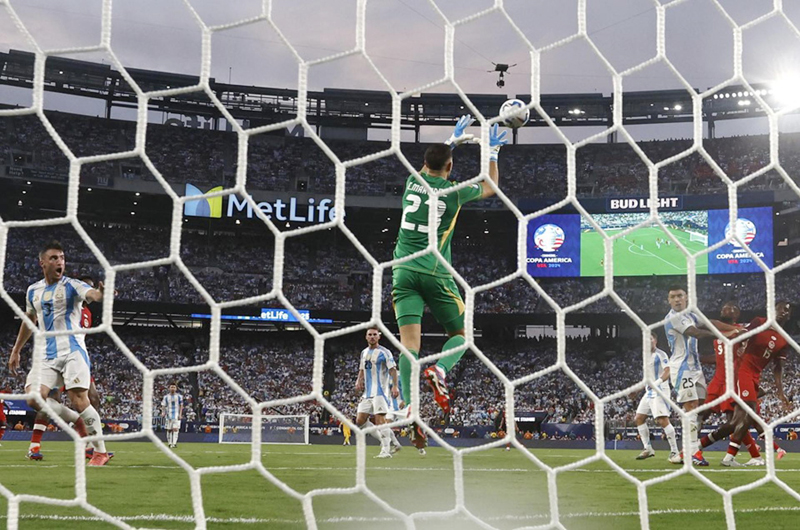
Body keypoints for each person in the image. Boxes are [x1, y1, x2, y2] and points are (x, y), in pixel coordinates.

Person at [392, 115, 507, 438]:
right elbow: (490, 186)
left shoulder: (411, 182)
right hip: (435, 271)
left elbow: (434, 161)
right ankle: (440, 368)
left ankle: (409, 406)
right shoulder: (453, 191)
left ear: (425, 162)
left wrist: (451, 141)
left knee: (408, 346)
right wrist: (493, 153)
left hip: (402, 271)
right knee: (463, 334)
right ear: (452, 168)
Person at [8, 240, 111, 466]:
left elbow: (92, 294)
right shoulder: (33, 290)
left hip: (72, 350)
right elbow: (29, 320)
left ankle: (100, 452)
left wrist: (101, 294)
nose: (59, 262)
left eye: (62, 258)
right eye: (54, 258)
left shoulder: (72, 285)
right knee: (34, 397)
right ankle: (77, 421)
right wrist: (16, 350)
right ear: (42, 263)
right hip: (46, 353)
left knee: (79, 399)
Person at [29, 274, 106, 461]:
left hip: (75, 356)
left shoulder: (87, 313)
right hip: (55, 355)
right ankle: (34, 445)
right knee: (46, 400)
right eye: (85, 288)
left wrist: (99, 294)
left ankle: (90, 443)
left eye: (90, 288)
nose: (87, 292)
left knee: (92, 398)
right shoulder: (66, 303)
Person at [706, 301, 793, 467]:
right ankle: (730, 457)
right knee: (747, 415)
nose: (783, 312)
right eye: (780, 309)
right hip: (742, 371)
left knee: (737, 421)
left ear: (789, 316)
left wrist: (780, 392)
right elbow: (743, 335)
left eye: (787, 311)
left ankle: (702, 447)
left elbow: (778, 368)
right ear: (772, 309)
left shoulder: (784, 340)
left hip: (755, 376)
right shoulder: (759, 322)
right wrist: (737, 345)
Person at [664, 285, 739, 466]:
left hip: (696, 369)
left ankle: (686, 451)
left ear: (687, 297)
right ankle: (694, 452)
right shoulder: (674, 317)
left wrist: (733, 329)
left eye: (680, 296)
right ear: (668, 300)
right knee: (691, 407)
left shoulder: (691, 314)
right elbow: (695, 332)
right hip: (682, 369)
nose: (677, 299)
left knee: (700, 412)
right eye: (673, 296)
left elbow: (709, 322)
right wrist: (724, 335)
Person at [634, 332, 680, 462]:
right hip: (649, 392)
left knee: (662, 420)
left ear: (655, 341)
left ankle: (674, 451)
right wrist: (637, 391)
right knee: (639, 418)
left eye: (650, 339)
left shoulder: (661, 354)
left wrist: (657, 383)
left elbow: (668, 371)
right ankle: (648, 448)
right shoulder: (645, 357)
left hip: (660, 390)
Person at [354, 327, 400, 458]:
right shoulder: (364, 352)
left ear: (379, 337)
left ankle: (385, 451)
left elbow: (393, 370)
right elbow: (362, 369)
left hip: (381, 392)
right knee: (360, 421)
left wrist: (395, 386)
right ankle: (385, 440)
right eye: (370, 335)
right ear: (366, 337)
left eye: (375, 334)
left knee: (380, 420)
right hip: (367, 393)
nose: (372, 337)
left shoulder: (385, 352)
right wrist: (359, 380)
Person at [162, 383, 183, 448]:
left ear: (176, 388)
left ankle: (174, 443)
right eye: (171, 387)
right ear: (169, 388)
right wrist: (163, 412)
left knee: (175, 429)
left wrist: (180, 414)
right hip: (169, 415)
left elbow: (181, 405)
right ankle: (169, 443)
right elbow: (163, 405)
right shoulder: (166, 397)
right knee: (169, 429)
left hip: (176, 415)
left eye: (174, 387)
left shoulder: (179, 396)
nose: (172, 388)